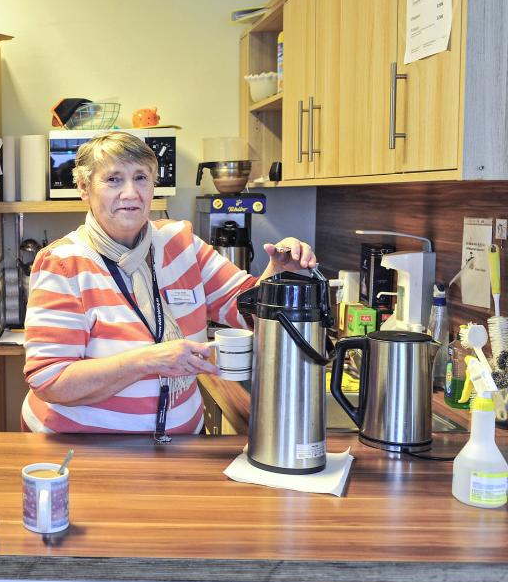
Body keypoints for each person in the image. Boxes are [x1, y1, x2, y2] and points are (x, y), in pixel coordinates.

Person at [22, 131, 316, 435]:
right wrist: (148, 361)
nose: (130, 193)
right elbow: (50, 381)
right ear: (84, 188)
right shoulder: (62, 263)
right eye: (113, 180)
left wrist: (279, 274)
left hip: (179, 445)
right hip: (88, 452)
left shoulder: (181, 244)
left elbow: (246, 309)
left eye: (141, 177)